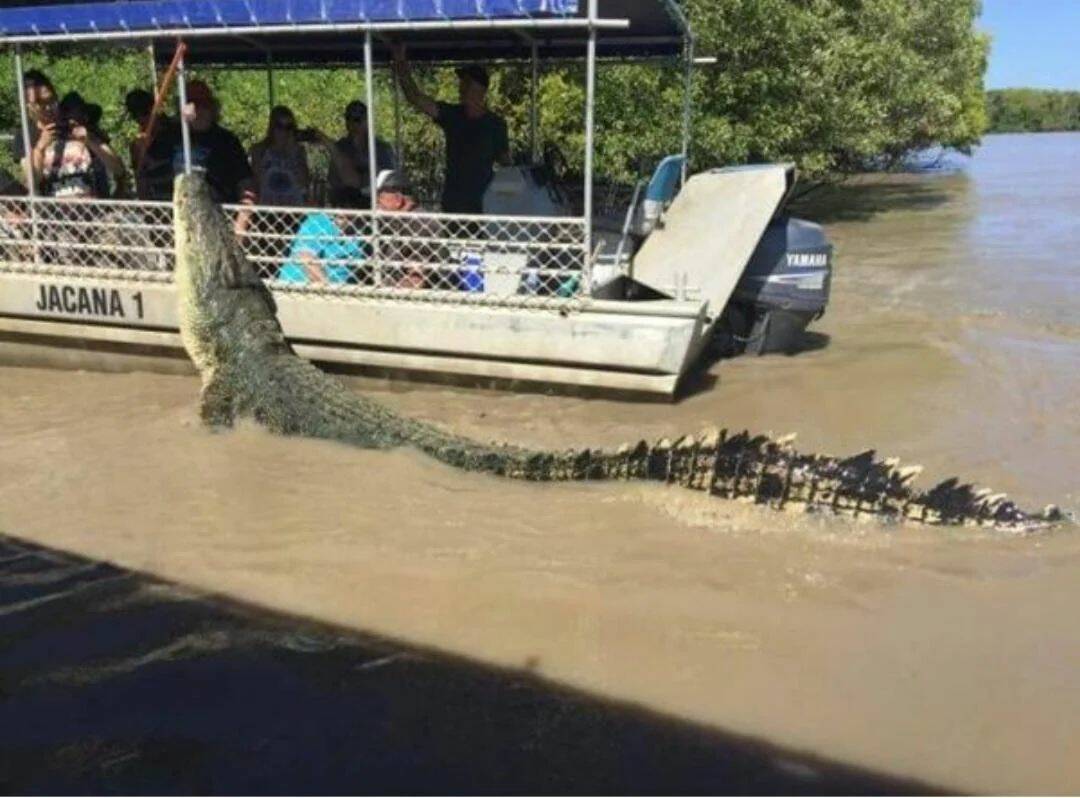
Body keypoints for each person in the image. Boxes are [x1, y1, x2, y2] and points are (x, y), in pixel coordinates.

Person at [391, 45, 510, 213]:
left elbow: (507, 165)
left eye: (467, 83)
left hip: (485, 205)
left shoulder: (495, 125)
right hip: (454, 204)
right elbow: (415, 98)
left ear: (481, 90)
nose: (461, 88)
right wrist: (400, 64)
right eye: (462, 83)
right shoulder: (452, 115)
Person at [12, 71, 126, 199]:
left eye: (51, 100)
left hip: (93, 208)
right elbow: (32, 182)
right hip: (53, 214)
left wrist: (90, 141)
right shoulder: (25, 134)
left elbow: (118, 169)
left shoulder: (75, 121)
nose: (48, 108)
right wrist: (40, 148)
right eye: (41, 103)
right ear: (29, 106)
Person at [147, 79, 255, 205]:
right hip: (171, 215)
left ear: (213, 106)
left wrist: (241, 222)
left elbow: (246, 184)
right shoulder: (166, 138)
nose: (197, 108)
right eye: (192, 102)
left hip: (215, 216)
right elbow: (147, 175)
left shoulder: (227, 141)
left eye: (204, 103)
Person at [325, 100, 396, 208]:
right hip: (346, 203)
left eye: (357, 120)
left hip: (374, 201)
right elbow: (333, 180)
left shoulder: (381, 148)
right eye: (348, 119)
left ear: (367, 121)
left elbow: (389, 180)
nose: (352, 124)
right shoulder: (340, 147)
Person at [249, 106, 310, 207]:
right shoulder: (260, 150)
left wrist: (292, 151)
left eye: (288, 127)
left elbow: (304, 184)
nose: (284, 132)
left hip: (293, 208)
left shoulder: (298, 151)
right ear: (272, 127)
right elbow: (256, 182)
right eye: (279, 126)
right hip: (268, 208)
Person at [125, 87, 177, 201]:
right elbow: (140, 179)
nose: (140, 119)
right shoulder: (138, 145)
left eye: (144, 112)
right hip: (157, 201)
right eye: (135, 115)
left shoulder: (176, 130)